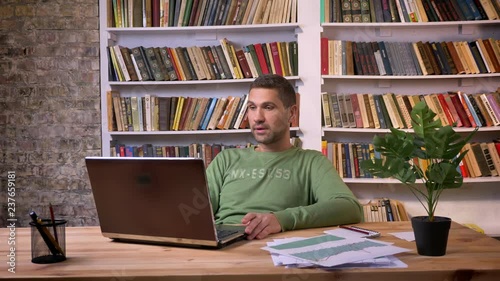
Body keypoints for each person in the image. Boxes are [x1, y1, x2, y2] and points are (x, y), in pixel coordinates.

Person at [206, 74, 362, 240]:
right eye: (252, 107)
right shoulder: (226, 159)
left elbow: (350, 208)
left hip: (279, 248)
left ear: (291, 113)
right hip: (224, 247)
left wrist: (281, 219)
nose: (257, 117)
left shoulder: (311, 162)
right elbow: (191, 211)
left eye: (268, 107)